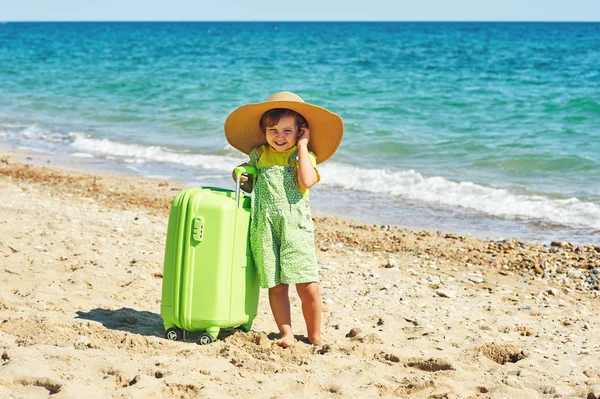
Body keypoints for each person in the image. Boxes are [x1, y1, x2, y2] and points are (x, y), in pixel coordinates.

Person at [224, 91, 344, 347]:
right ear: (264, 131)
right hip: (264, 226)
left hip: (295, 226)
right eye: (273, 130)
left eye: (288, 131)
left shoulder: (303, 157)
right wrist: (240, 175)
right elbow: (246, 179)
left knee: (307, 283)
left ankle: (314, 334)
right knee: (276, 285)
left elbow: (307, 181)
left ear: (302, 131)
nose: (279, 137)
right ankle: (286, 333)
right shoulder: (259, 154)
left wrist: (302, 147)